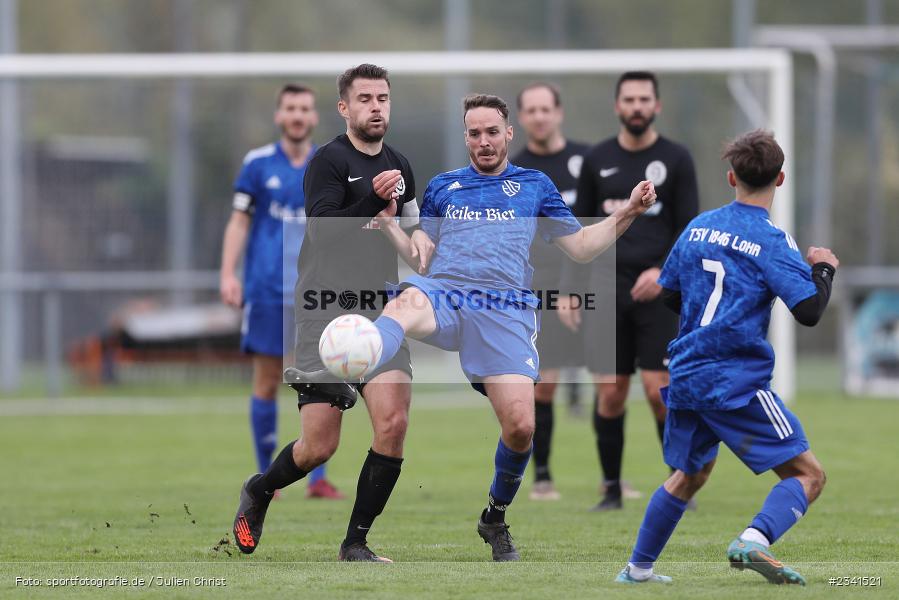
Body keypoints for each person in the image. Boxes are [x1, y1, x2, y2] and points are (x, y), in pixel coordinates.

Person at [365, 94, 656, 561]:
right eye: (474, 133)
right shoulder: (444, 187)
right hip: (447, 294)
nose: (483, 141)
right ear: (466, 137)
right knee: (405, 302)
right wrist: (392, 228)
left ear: (508, 134)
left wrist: (627, 213)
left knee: (521, 427)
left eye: (491, 132)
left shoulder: (534, 185)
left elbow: (581, 247)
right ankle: (362, 353)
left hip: (504, 311)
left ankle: (494, 517)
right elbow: (421, 255)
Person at [614, 130, 834, 585]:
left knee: (690, 474)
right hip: (734, 380)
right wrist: (823, 268)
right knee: (809, 476)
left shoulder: (698, 226)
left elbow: (671, 295)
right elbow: (809, 310)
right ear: (782, 178)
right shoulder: (773, 240)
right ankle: (754, 539)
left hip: (688, 373)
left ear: (731, 176)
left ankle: (638, 570)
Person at [231, 64, 430, 562]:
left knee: (394, 422)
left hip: (379, 314)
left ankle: (355, 542)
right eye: (365, 98)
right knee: (318, 448)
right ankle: (259, 490)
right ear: (344, 108)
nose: (376, 106)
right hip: (325, 314)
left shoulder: (401, 165)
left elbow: (408, 241)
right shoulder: (328, 162)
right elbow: (322, 229)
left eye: (383, 97)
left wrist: (419, 244)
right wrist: (373, 199)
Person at [559, 71, 700, 511]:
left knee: (661, 390)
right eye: (629, 99)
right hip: (606, 288)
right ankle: (612, 489)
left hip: (660, 292)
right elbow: (576, 228)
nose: (637, 106)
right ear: (617, 106)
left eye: (644, 99)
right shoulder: (598, 158)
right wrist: (569, 290)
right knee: (612, 391)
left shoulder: (676, 159)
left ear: (656, 106)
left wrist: (662, 272)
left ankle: (678, 484)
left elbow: (687, 227)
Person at [219, 83, 343, 500]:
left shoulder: (328, 163)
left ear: (314, 116)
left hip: (316, 291)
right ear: (279, 116)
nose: (297, 115)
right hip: (268, 289)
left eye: (304, 108)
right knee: (267, 379)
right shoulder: (257, 165)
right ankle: (265, 479)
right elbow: (239, 222)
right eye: (290, 108)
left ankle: (317, 479)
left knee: (319, 380)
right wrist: (228, 273)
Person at [511, 82, 590, 501]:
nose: (540, 116)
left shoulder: (586, 161)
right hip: (538, 285)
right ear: (521, 119)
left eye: (546, 109)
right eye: (531, 110)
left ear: (558, 112)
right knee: (546, 383)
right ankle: (542, 477)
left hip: (587, 278)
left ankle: (612, 481)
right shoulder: (514, 171)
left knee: (610, 380)